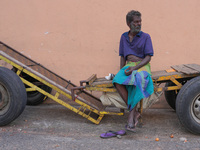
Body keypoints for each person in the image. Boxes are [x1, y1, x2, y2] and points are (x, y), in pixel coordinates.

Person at [112, 10, 154, 132]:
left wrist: (135, 68)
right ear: (128, 23)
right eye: (136, 22)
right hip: (129, 65)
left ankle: (130, 117)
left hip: (142, 65)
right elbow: (122, 56)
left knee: (137, 79)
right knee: (117, 80)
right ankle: (135, 112)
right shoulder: (124, 37)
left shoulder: (146, 37)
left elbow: (148, 57)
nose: (139, 24)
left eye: (140, 21)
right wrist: (122, 71)